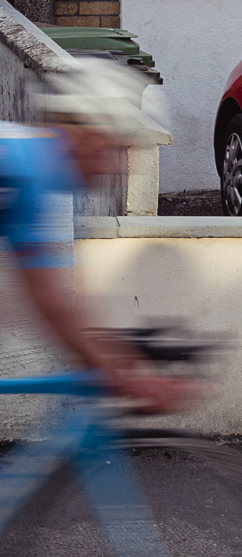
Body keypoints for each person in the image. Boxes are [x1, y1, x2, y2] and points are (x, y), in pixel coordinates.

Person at [6, 60, 187, 414]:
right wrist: (126, 376)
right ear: (84, 133)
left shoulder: (35, 165)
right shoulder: (25, 170)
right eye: (113, 146)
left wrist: (118, 359)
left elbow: (60, 298)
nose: (117, 165)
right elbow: (50, 303)